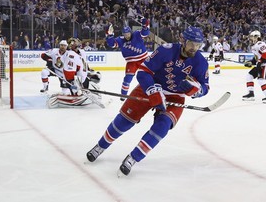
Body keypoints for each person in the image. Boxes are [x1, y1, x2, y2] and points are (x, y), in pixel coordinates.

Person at [86, 26, 210, 176]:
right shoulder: (166, 50)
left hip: (175, 96)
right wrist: (152, 90)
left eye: (198, 45)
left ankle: (133, 158)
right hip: (150, 87)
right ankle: (101, 146)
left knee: (162, 126)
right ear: (183, 40)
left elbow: (205, 87)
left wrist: (195, 89)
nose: (194, 48)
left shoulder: (201, 62)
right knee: (124, 120)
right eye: (192, 43)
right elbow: (143, 72)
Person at [106, 18, 150, 99]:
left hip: (143, 59)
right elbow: (112, 44)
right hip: (131, 62)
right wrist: (110, 36)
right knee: (127, 79)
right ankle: (123, 95)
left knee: (148, 77)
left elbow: (145, 33)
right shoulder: (120, 40)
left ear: (131, 32)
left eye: (128, 33)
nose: (127, 36)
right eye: (125, 34)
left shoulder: (137, 34)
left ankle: (152, 93)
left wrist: (145, 26)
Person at [242, 30, 266, 103]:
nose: (250, 38)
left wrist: (259, 62)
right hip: (260, 64)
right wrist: (251, 62)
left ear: (256, 37)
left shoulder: (260, 43)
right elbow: (257, 58)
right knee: (249, 76)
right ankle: (251, 93)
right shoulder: (254, 45)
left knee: (261, 80)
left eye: (252, 36)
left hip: (265, 64)